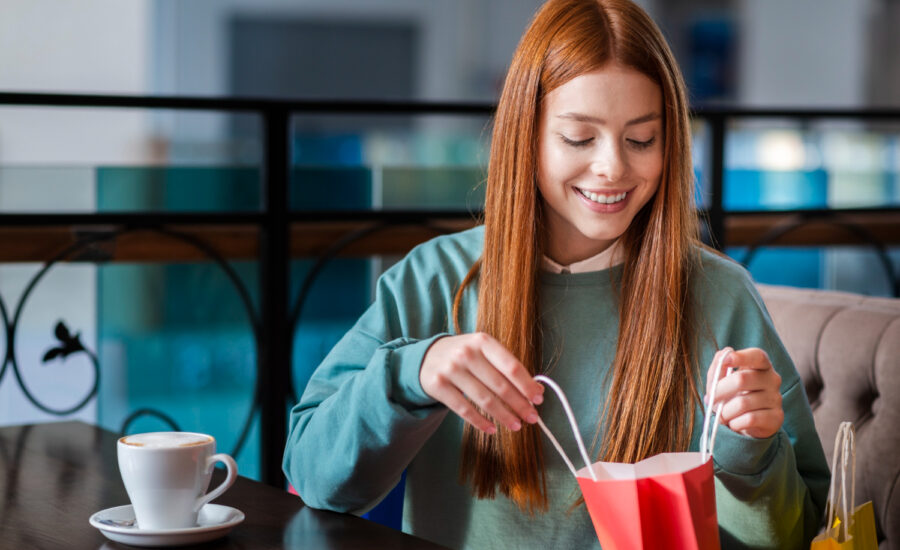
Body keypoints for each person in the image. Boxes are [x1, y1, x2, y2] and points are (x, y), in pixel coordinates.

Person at [283, 0, 830, 548]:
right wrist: (411, 373)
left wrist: (750, 453)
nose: (613, 166)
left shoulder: (720, 295)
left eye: (642, 139)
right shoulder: (435, 279)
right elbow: (315, 480)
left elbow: (804, 533)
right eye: (579, 138)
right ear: (528, 136)